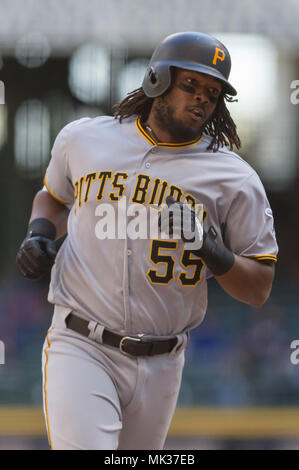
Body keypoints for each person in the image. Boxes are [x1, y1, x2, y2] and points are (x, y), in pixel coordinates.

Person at [16, 31, 278, 450]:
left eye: (212, 92)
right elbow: (53, 196)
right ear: (157, 80)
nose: (201, 98)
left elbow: (260, 287)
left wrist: (213, 252)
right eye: (190, 84)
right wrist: (40, 233)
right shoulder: (85, 139)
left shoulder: (234, 178)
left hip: (164, 360)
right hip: (82, 342)